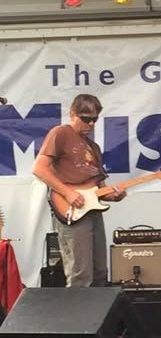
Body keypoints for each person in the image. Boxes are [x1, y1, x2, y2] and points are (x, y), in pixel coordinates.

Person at [32, 94, 126, 287]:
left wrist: (116, 195)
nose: (90, 124)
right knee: (80, 273)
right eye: (85, 119)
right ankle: (76, 307)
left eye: (94, 119)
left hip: (92, 211)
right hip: (70, 209)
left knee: (100, 271)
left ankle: (97, 308)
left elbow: (100, 189)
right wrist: (67, 192)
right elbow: (39, 168)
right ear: (72, 114)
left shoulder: (94, 148)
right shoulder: (60, 133)